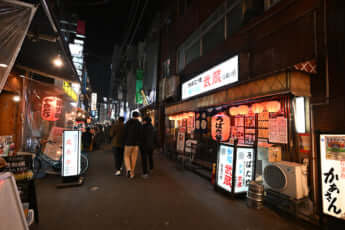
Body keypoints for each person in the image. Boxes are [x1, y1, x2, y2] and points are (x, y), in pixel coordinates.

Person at [123, 111, 142, 179]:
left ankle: (128, 169)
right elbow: (141, 134)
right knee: (134, 158)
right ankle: (132, 174)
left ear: (132, 115)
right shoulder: (139, 124)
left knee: (126, 156)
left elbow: (124, 133)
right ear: (137, 116)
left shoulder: (128, 123)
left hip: (128, 143)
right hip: (136, 144)